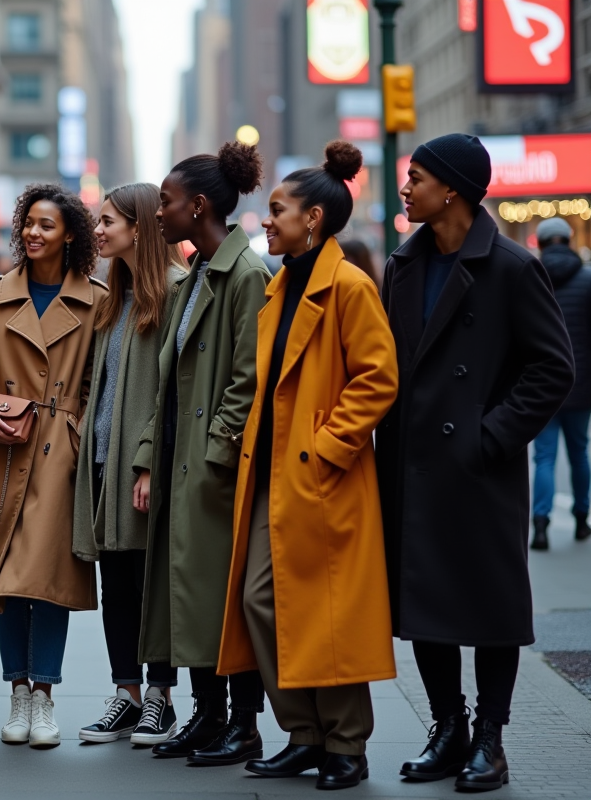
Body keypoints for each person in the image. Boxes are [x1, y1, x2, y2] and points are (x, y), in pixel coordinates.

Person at [378, 134, 574, 792]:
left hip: (479, 467)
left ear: (453, 189)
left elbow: (553, 367)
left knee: (489, 606)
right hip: (414, 464)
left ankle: (490, 739)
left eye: (417, 177)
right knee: (426, 602)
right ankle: (447, 728)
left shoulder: (513, 268)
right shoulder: (402, 266)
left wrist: (490, 437)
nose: (406, 188)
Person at [217, 141, 399, 791]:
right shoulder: (282, 285)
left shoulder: (346, 285)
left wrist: (327, 448)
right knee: (264, 601)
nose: (267, 221)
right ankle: (304, 734)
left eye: (277, 210)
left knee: (329, 610)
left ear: (313, 219)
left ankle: (345, 745)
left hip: (322, 477)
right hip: (273, 476)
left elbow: (378, 380)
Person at [0, 183, 106, 750]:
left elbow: (99, 386)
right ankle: (17, 688)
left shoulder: (97, 301)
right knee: (6, 576)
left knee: (46, 578)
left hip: (59, 451)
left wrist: (79, 436)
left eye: (47, 226)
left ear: (70, 236)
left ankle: (45, 694)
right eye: (28, 224)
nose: (34, 234)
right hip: (3, 451)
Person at [135, 143, 271, 765]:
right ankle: (207, 715)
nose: (157, 214)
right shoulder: (196, 273)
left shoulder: (244, 275)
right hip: (180, 461)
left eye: (165, 203)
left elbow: (248, 377)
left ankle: (241, 723)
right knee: (187, 595)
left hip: (212, 468)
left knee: (220, 596)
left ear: (198, 205)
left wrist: (216, 453)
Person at [70, 183, 187, 746]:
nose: (99, 229)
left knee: (150, 583)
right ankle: (127, 694)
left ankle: (160, 699)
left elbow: (171, 392)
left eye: (108, 220)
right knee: (116, 581)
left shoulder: (177, 291)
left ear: (139, 227)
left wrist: (145, 463)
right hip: (101, 461)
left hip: (145, 468)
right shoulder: (112, 297)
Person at [531, 217, 591, 549]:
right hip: (581, 384)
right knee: (579, 452)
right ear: (567, 242)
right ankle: (582, 520)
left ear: (541, 244)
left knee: (544, 457)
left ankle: (541, 525)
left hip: (541, 386)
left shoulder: (533, 277)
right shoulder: (587, 279)